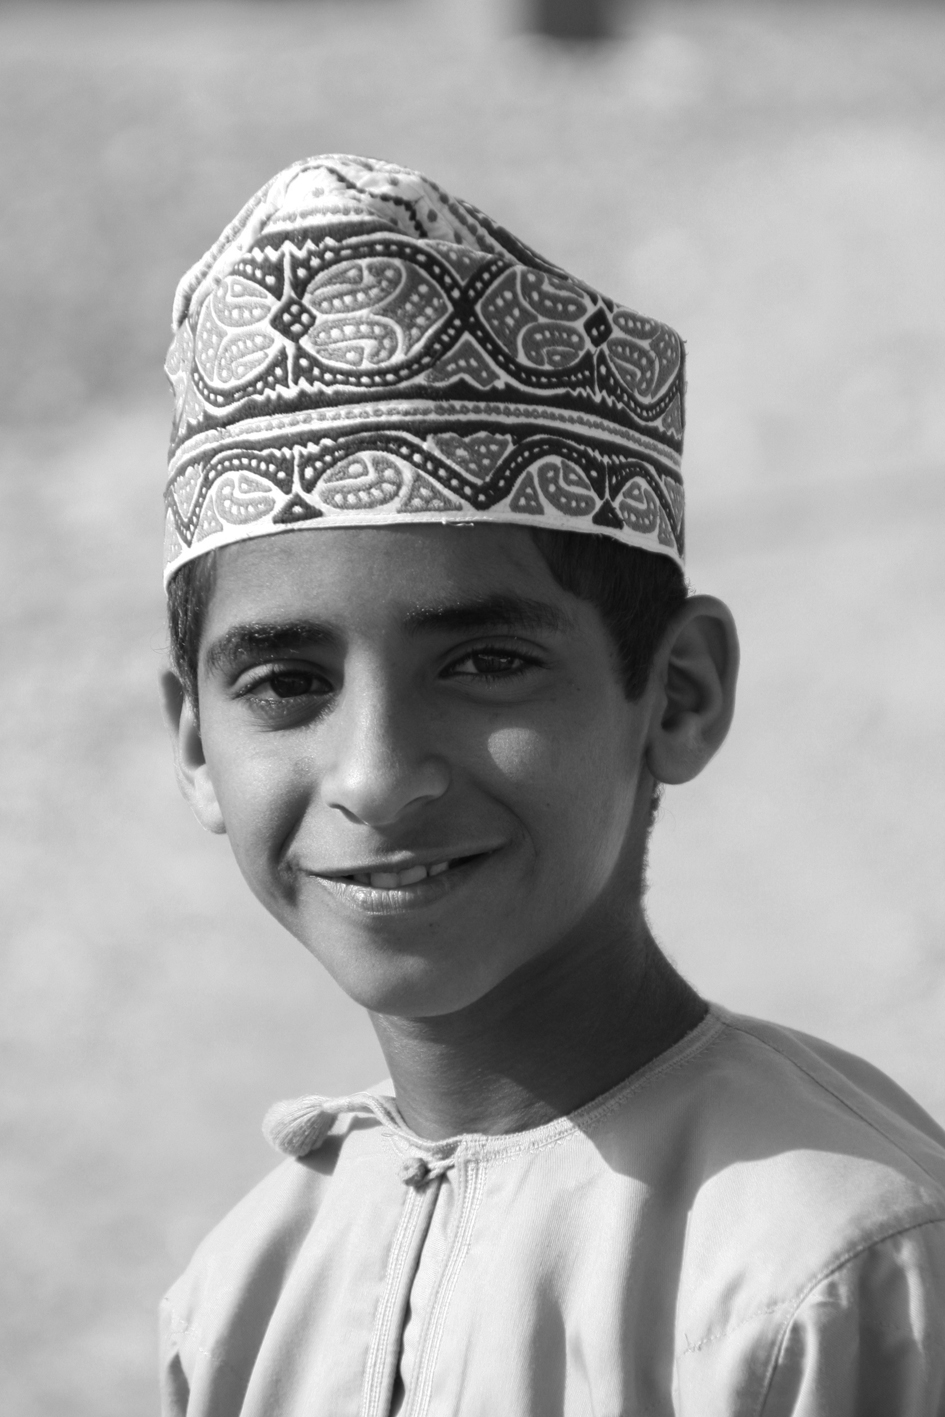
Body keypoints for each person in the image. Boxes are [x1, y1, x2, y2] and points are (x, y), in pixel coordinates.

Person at [158, 155, 945, 1417]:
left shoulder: (832, 1273)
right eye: (288, 683)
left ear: (677, 694)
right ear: (197, 744)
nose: (377, 775)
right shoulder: (242, 1296)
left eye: (485, 664)